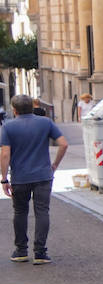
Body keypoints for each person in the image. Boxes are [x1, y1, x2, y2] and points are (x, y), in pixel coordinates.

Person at [1, 94, 68, 265]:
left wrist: (4, 179)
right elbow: (63, 144)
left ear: (14, 110)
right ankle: (40, 252)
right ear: (32, 107)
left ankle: (21, 250)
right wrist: (54, 165)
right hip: (43, 175)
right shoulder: (45, 122)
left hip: (20, 177)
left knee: (20, 212)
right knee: (42, 212)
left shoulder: (8, 127)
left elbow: (5, 154)